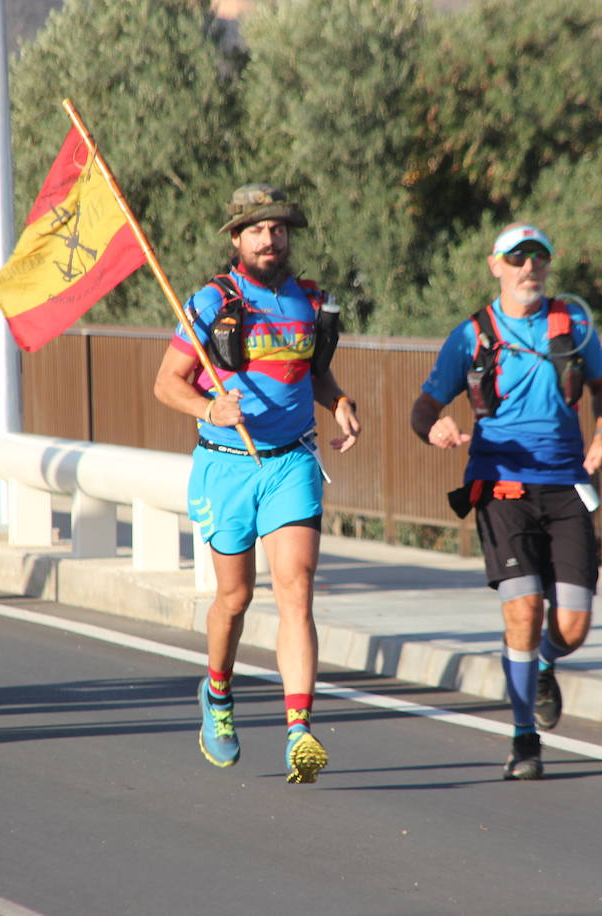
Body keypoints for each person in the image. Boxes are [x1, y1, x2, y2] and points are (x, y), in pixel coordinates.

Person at [153, 184, 361, 783]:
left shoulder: (309, 302)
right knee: (236, 598)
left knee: (296, 589)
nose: (269, 239)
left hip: (291, 461)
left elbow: (314, 373)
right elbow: (167, 383)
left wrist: (339, 401)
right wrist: (208, 408)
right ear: (237, 240)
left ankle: (299, 730)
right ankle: (217, 695)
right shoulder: (212, 301)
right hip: (226, 464)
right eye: (256, 230)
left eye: (277, 229)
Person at [409, 223, 602, 780]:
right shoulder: (471, 335)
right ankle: (524, 738)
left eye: (539, 258)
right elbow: (422, 410)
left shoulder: (571, 325)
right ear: (494, 265)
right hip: (501, 486)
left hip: (568, 486)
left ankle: (546, 665)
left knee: (572, 627)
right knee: (524, 611)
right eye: (517, 258)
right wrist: (435, 430)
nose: (530, 267)